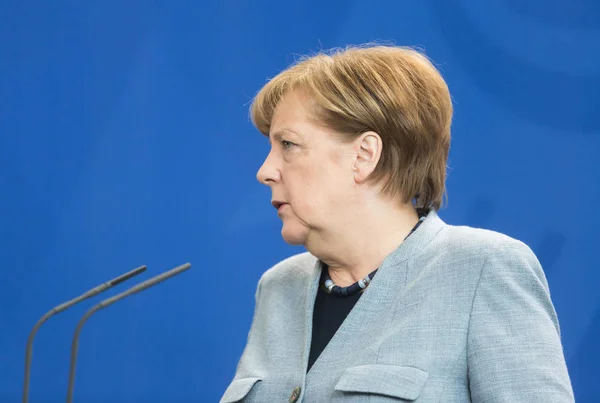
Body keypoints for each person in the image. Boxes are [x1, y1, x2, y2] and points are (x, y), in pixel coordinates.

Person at [220, 44, 574, 403]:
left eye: (288, 145)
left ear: (364, 155)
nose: (265, 171)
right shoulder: (278, 287)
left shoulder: (483, 269)